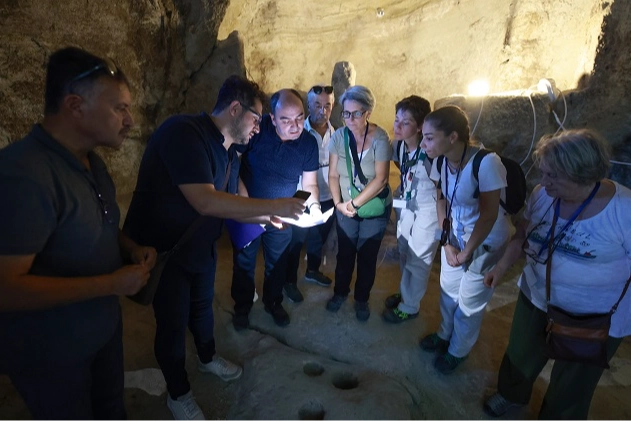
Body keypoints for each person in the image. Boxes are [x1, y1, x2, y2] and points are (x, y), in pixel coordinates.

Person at [123, 76, 305, 421]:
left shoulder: (229, 149)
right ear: (235, 109)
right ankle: (178, 394)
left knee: (202, 308)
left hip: (201, 247)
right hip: (166, 251)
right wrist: (277, 205)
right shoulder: (183, 133)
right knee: (173, 325)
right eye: (256, 119)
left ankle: (207, 358)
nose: (258, 128)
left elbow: (231, 200)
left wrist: (267, 215)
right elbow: (206, 201)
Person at [0, 47, 156, 421]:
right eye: (119, 108)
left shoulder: (91, 161)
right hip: (51, 352)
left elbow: (96, 222)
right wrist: (112, 284)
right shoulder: (24, 175)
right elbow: (6, 289)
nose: (130, 121)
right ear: (74, 105)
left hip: (100, 331)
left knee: (110, 409)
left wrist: (129, 247)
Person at [482, 129, 631, 420]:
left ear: (584, 175)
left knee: (576, 378)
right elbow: (524, 232)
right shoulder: (544, 195)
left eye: (553, 176)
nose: (542, 182)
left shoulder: (624, 210)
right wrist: (500, 268)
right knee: (521, 353)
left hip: (595, 315)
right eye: (543, 173)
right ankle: (512, 394)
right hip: (537, 295)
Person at [419, 105, 512, 373]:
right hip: (455, 236)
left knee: (470, 300)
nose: (423, 143)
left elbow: (489, 214)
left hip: (485, 241)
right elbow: (441, 198)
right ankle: (444, 334)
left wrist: (466, 252)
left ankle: (458, 350)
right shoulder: (439, 160)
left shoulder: (486, 163)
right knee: (448, 291)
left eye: (429, 137)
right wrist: (446, 243)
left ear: (453, 137)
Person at [231, 89, 320, 329]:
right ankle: (242, 306)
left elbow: (310, 183)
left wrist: (314, 207)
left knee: (277, 262)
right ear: (272, 118)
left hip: (282, 215)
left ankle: (273, 301)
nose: (295, 126)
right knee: (244, 261)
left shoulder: (309, 143)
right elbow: (234, 166)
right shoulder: (256, 133)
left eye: (300, 117)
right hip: (248, 210)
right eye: (286, 120)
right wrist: (244, 205)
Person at [326, 85, 392, 321]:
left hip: (372, 209)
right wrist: (338, 204)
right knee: (344, 253)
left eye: (356, 113)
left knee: (366, 255)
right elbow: (333, 175)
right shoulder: (338, 137)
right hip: (344, 206)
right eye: (346, 113)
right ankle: (340, 292)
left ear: (368, 113)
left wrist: (353, 205)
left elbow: (381, 179)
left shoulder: (380, 138)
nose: (350, 119)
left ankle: (361, 299)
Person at [383, 95, 440, 323]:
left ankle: (410, 306)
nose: (397, 126)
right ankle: (406, 290)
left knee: (419, 258)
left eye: (405, 122)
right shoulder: (399, 146)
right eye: (396, 119)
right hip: (405, 203)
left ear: (420, 126)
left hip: (427, 208)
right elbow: (401, 165)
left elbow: (440, 187)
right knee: (405, 251)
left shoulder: (432, 152)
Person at [285, 84, 337, 302]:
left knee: (319, 237)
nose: (322, 110)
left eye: (327, 105)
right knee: (295, 241)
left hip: (326, 195)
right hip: (301, 196)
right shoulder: (299, 132)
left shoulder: (337, 134)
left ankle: (312, 270)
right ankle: (288, 281)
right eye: (317, 105)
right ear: (308, 106)